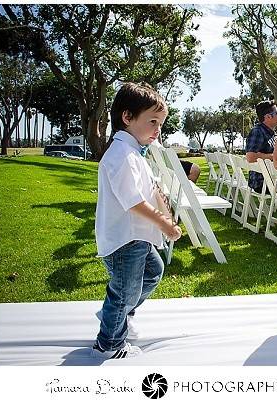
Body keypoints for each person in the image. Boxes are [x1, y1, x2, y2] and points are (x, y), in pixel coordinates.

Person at [92, 82, 182, 359]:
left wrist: (165, 209)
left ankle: (118, 312)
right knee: (123, 291)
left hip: (138, 237)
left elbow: (150, 190)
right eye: (152, 121)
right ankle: (109, 343)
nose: (158, 129)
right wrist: (164, 224)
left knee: (152, 274)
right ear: (127, 117)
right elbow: (133, 201)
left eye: (161, 123)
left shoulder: (134, 152)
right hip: (125, 239)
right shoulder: (121, 154)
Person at [245, 100, 277, 192]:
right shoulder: (257, 131)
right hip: (261, 182)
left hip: (272, 178)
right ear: (268, 116)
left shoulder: (272, 133)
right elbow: (250, 157)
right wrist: (274, 157)